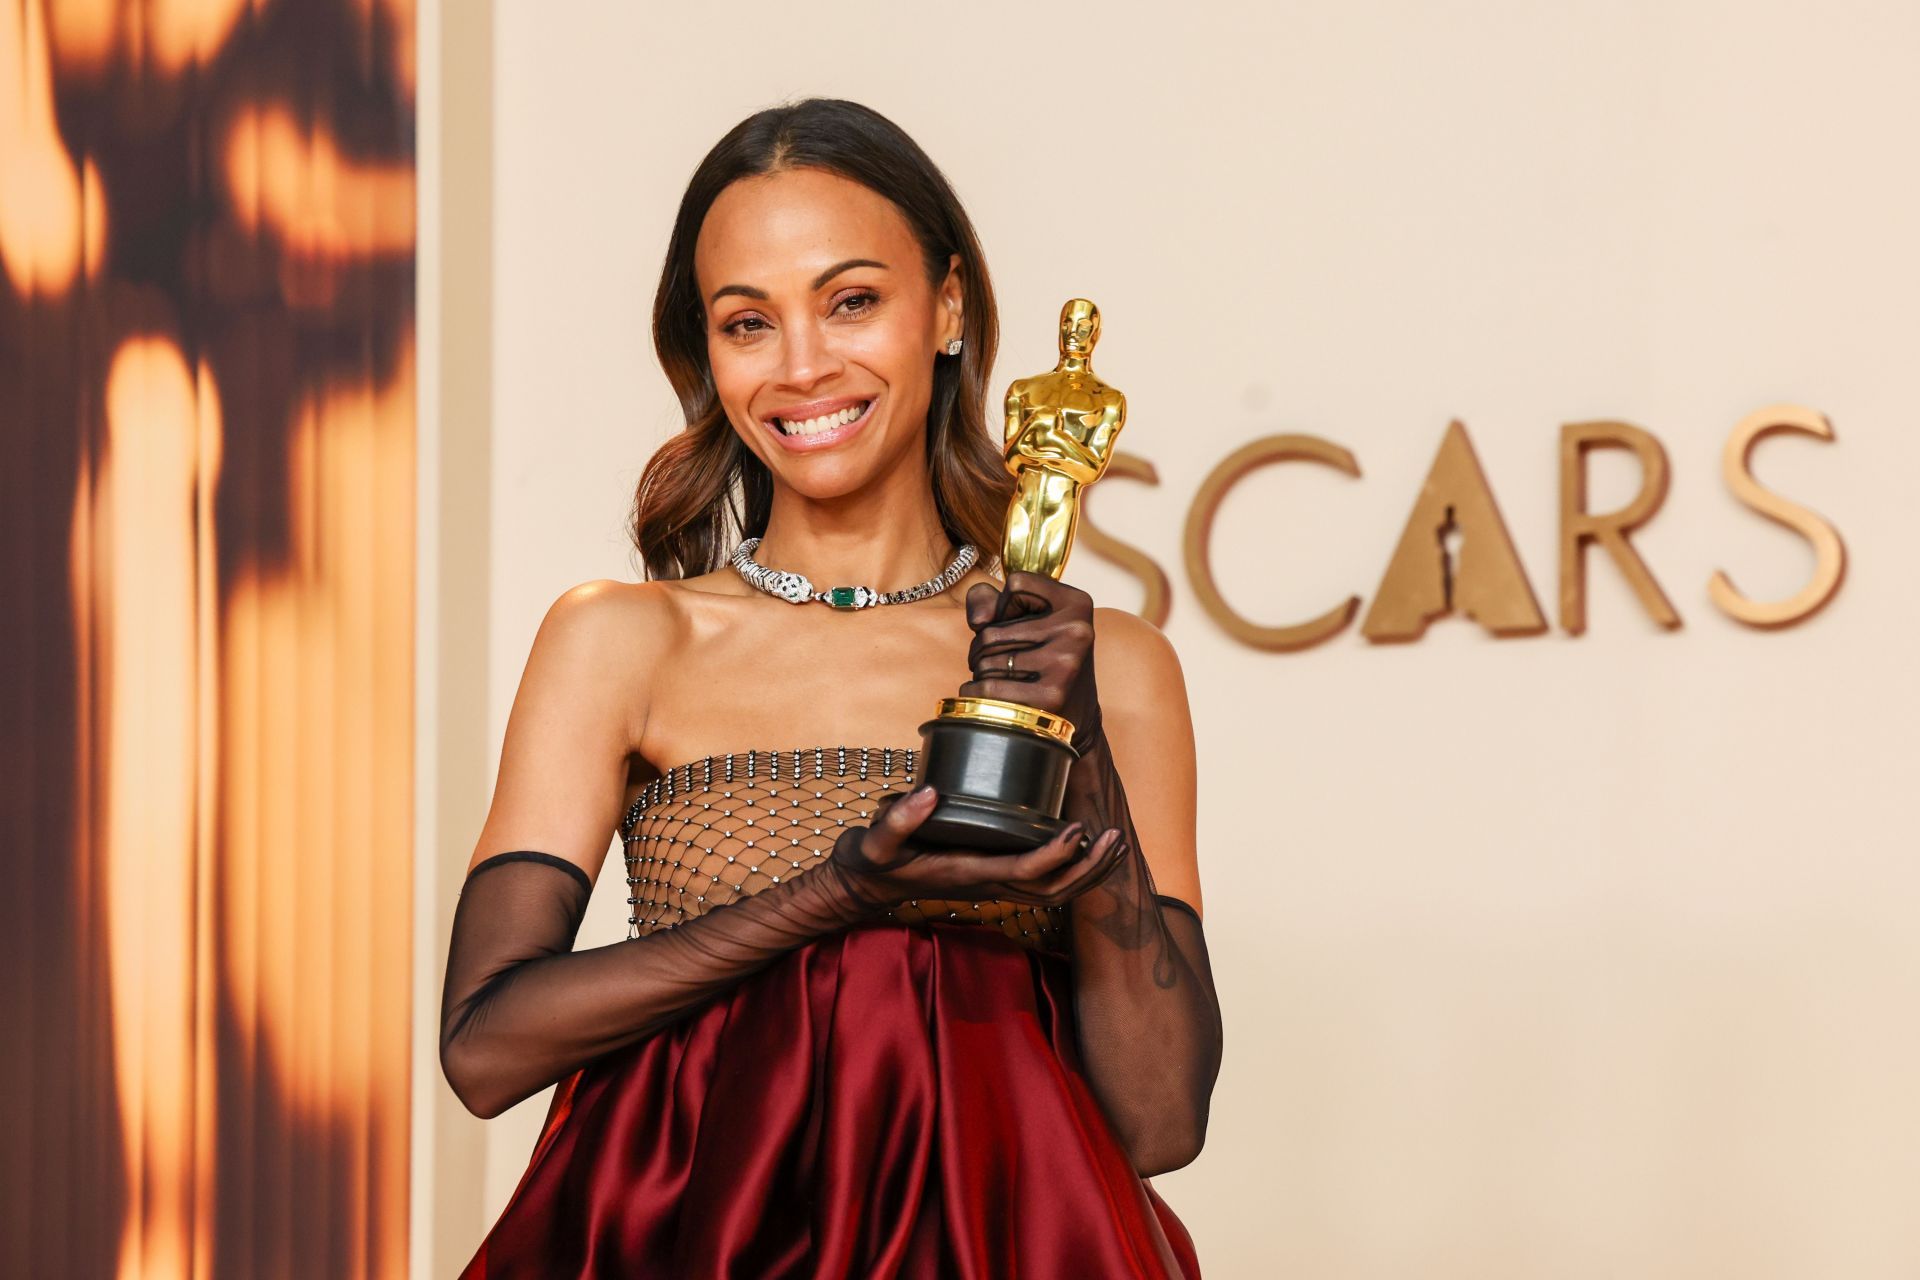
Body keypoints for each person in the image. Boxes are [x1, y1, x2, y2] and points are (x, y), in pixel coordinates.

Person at [440, 97, 1224, 1279]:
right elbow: (486, 1047)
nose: (803, 364)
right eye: (748, 322)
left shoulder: (1113, 663)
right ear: (707, 353)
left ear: (947, 307)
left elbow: (1163, 1119)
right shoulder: (625, 639)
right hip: (686, 1244)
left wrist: (1085, 739)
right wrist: (839, 891)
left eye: (851, 299)